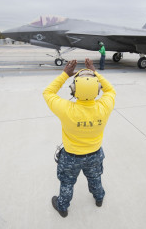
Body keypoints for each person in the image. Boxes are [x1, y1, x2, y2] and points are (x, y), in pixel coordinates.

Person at [43, 58, 116, 218]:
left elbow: (48, 92)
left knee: (67, 183)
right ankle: (99, 198)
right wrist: (95, 72)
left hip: (71, 156)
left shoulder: (66, 109)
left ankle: (62, 207)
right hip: (95, 154)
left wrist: (64, 74)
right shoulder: (104, 107)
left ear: (73, 89)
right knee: (95, 178)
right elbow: (110, 90)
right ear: (97, 89)